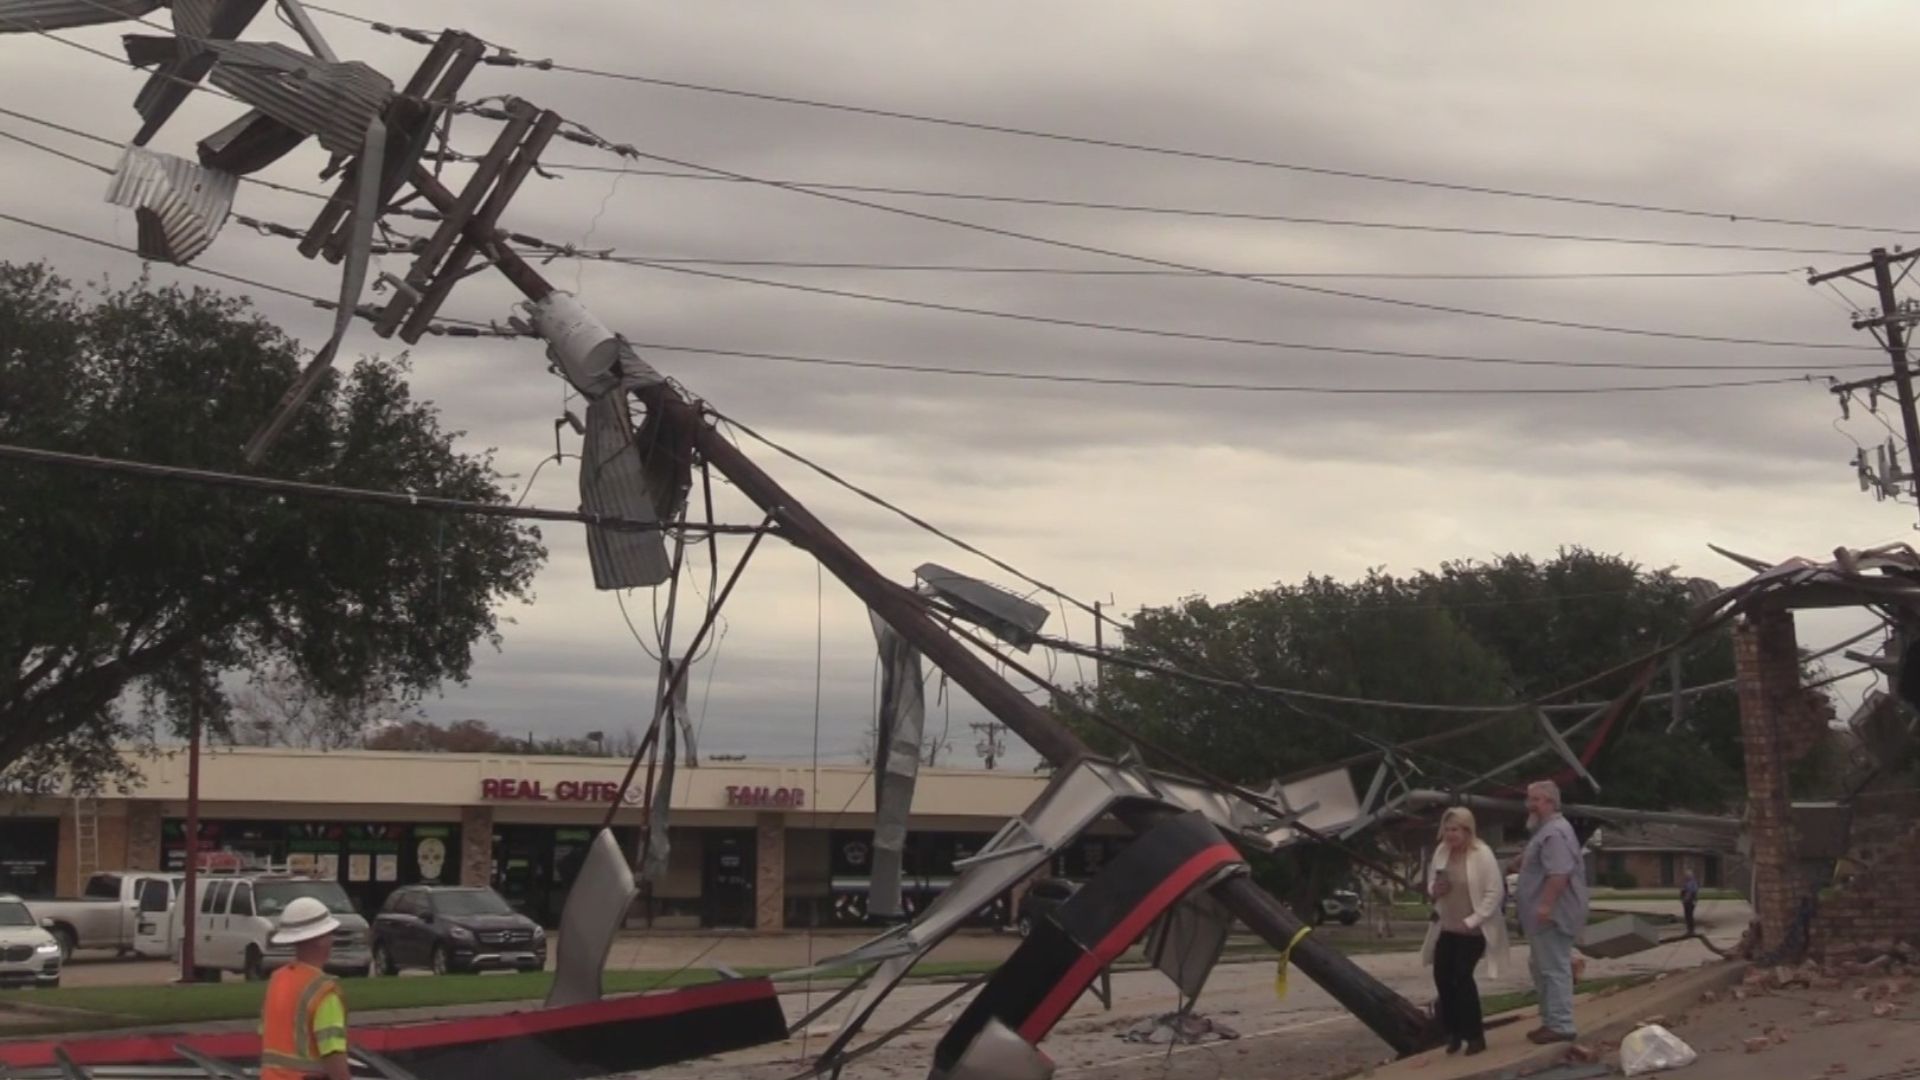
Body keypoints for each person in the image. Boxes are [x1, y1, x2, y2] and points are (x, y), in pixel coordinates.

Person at [1420, 807, 1509, 1056]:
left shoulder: (1482, 854)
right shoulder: (1442, 852)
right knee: (1442, 977)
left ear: (1467, 831)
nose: (1450, 835)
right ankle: (1453, 1032)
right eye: (1447, 829)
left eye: (1456, 830)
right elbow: (1431, 882)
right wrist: (1434, 889)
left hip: (1473, 929)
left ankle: (1475, 1035)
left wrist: (1473, 921)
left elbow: (1494, 892)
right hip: (1447, 926)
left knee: (1461, 977)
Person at [1511, 779, 1591, 1045]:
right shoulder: (1546, 831)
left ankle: (1561, 1025)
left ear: (1549, 802)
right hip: (1542, 917)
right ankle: (1550, 1021)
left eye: (1535, 800)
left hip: (1552, 916)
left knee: (1554, 968)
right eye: (1529, 799)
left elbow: (1559, 874)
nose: (1529, 805)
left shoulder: (1554, 833)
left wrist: (1545, 905)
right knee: (1541, 966)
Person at [259, 896, 351, 1080]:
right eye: (329, 933)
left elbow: (266, 1034)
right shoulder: (323, 991)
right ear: (320, 940)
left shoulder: (277, 980)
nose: (332, 939)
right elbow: (333, 1055)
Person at [1680, 869, 1699, 936]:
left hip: (1689, 901)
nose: (1685, 876)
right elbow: (1683, 890)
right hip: (1686, 901)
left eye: (1686, 875)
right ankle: (1689, 930)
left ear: (1690, 876)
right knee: (1687, 916)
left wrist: (1686, 898)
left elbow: (1691, 892)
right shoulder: (1686, 882)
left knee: (1689, 916)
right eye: (1685, 875)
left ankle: (1691, 930)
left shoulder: (1692, 883)